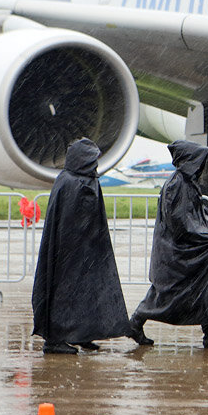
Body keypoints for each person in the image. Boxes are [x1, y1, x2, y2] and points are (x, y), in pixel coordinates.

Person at [128, 141, 208, 348]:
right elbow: (181, 221)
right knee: (168, 291)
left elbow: (196, 213)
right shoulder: (177, 184)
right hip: (176, 250)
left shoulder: (186, 183)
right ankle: (135, 322)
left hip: (180, 248)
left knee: (198, 285)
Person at [32, 138, 133, 354]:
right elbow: (69, 222)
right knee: (66, 294)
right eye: (92, 160)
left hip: (87, 250)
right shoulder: (70, 182)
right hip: (70, 253)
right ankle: (55, 338)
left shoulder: (84, 181)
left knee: (89, 291)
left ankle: (82, 332)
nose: (96, 165)